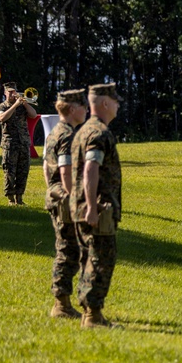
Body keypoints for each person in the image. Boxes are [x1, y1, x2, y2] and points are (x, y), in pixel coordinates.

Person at [70, 83, 123, 328]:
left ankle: (91, 313)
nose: (118, 105)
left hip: (82, 206)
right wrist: (92, 206)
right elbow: (91, 169)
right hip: (98, 208)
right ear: (104, 103)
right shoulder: (98, 133)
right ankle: (92, 316)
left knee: (89, 259)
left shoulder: (83, 130)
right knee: (101, 259)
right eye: (115, 101)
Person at [43, 89, 88, 319]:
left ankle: (63, 303)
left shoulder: (54, 132)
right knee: (68, 251)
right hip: (65, 200)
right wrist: (74, 200)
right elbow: (66, 171)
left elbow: (45, 166)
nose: (86, 110)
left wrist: (52, 190)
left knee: (67, 249)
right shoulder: (68, 135)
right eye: (83, 106)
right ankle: (61, 305)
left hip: (56, 196)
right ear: (72, 109)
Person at [0, 82, 39, 205]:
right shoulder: (1, 106)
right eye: (10, 92)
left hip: (24, 143)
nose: (12, 94)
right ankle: (11, 199)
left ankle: (19, 198)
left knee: (23, 171)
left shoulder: (22, 106)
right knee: (10, 171)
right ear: (5, 93)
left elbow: (34, 115)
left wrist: (25, 104)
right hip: (10, 144)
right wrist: (15, 105)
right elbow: (2, 118)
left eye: (14, 91)